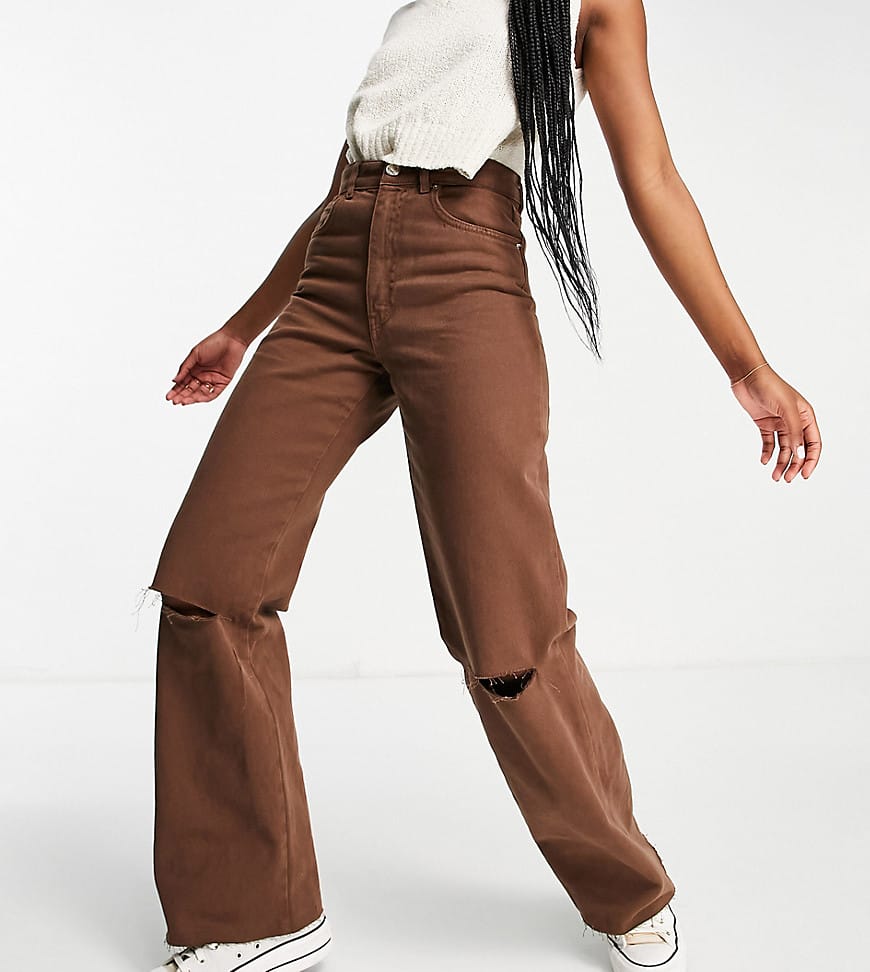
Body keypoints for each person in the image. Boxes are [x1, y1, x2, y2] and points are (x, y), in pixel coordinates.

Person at [144, 1, 822, 970]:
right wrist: (245, 325)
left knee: (507, 631)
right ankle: (256, 915)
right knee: (207, 584)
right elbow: (354, 185)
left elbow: (653, 178)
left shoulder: (594, 4)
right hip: (333, 278)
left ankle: (626, 884)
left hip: (465, 278)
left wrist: (746, 365)